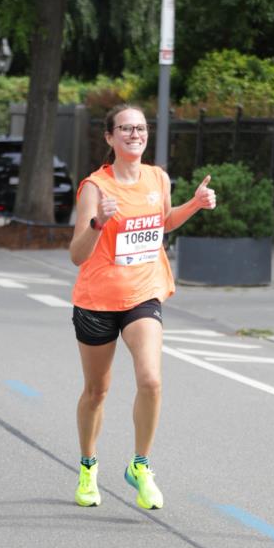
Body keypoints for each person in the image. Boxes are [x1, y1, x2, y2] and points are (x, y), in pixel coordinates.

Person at [69, 104, 216, 510]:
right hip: (97, 300)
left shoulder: (158, 177)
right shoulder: (94, 188)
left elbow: (162, 222)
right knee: (97, 391)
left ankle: (140, 465)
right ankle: (87, 467)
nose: (135, 134)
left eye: (140, 128)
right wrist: (98, 222)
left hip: (143, 293)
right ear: (110, 137)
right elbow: (76, 255)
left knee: (151, 380)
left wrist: (195, 204)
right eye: (126, 129)